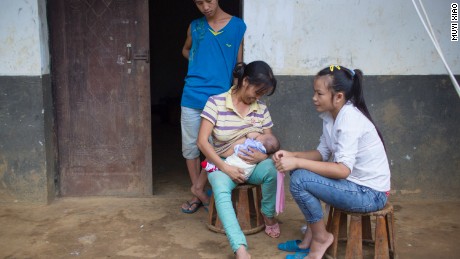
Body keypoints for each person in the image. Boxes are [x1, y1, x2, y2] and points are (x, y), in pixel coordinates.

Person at [274, 65, 391, 259]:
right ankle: (309, 240)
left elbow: (343, 170)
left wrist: (297, 162)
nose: (314, 98)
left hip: (370, 194)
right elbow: (321, 153)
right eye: (314, 92)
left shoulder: (349, 120)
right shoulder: (331, 116)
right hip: (354, 186)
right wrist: (292, 155)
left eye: (319, 93)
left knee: (300, 178)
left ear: (338, 96)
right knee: (298, 174)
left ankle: (320, 238)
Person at [197, 61, 280, 258]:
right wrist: (225, 168)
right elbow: (202, 142)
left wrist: (264, 156)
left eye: (262, 94)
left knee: (273, 168)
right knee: (219, 187)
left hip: (253, 166)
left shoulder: (261, 108)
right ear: (245, 81)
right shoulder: (216, 103)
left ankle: (267, 214)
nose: (258, 97)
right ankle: (240, 248)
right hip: (223, 166)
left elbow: (270, 141)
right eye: (257, 91)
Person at [180, 0, 246, 214]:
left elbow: (239, 65)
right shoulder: (195, 26)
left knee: (216, 146)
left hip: (219, 97)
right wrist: (199, 63)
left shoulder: (237, 26)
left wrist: (236, 94)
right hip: (192, 94)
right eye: (199, 3)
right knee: (190, 147)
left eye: (209, 1)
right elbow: (185, 50)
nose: (205, 7)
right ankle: (197, 193)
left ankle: (199, 187)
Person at [201, 132, 280, 180]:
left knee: (228, 163)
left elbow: (241, 146)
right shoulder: (265, 147)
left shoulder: (253, 143)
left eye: (261, 135)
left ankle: (215, 168)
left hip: (235, 161)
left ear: (261, 141)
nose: (260, 134)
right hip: (247, 171)